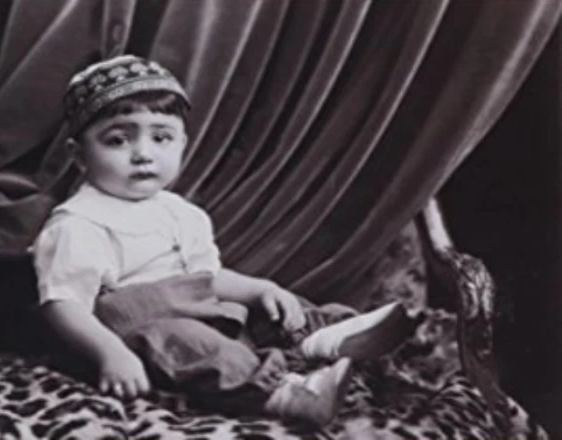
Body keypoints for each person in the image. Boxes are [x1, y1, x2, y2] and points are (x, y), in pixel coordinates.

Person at [32, 54, 413, 426]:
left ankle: (324, 333)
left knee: (273, 306)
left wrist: (260, 289)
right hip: (144, 336)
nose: (143, 154)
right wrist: (110, 353)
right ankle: (285, 393)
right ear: (79, 156)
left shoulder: (180, 213)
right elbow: (63, 304)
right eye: (117, 141)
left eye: (161, 137)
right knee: (188, 340)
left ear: (182, 143)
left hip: (207, 313)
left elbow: (207, 278)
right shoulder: (79, 224)